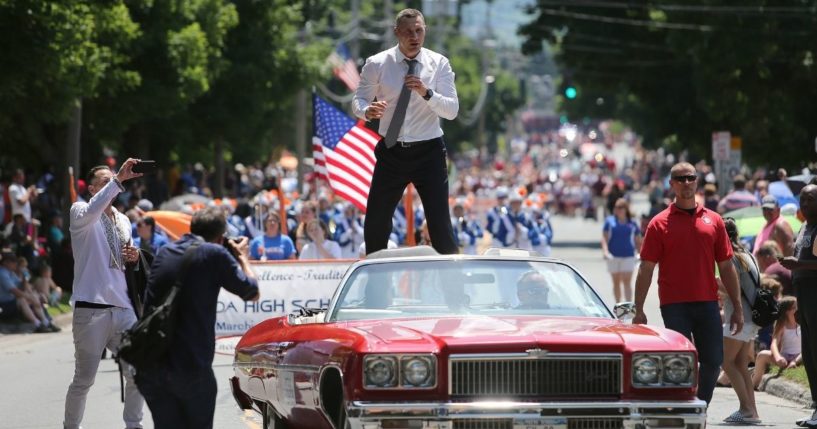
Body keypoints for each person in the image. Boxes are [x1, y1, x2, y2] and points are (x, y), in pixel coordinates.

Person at [136, 206, 260, 429]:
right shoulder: (214, 253)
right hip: (191, 368)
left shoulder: (165, 251)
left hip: (152, 365)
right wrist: (242, 258)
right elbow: (252, 292)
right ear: (221, 237)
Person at [633, 162, 743, 405]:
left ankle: (699, 405)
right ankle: (681, 407)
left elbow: (726, 266)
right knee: (680, 362)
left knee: (713, 361)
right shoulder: (659, 223)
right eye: (680, 179)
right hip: (674, 305)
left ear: (696, 182)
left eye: (690, 178)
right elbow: (646, 268)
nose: (686, 183)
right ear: (672, 184)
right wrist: (638, 308)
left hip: (707, 303)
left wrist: (737, 305)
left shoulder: (714, 221)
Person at [353, 8, 459, 256]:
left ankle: (456, 289)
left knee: (440, 225)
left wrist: (427, 92)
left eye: (419, 30)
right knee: (376, 223)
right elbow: (358, 101)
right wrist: (368, 111)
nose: (414, 36)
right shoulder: (377, 64)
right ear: (397, 32)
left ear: (425, 31)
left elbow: (452, 110)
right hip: (391, 150)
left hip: (429, 151)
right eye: (408, 31)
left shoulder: (439, 63)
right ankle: (375, 286)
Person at [64, 159, 145, 429]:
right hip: (91, 309)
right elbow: (94, 208)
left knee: (137, 370)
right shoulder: (80, 212)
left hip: (122, 308)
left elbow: (125, 258)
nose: (111, 185)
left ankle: (133, 424)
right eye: (104, 181)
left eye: (112, 181)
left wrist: (134, 255)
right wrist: (118, 180)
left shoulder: (123, 219)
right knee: (84, 379)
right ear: (91, 189)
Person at [779, 184, 817, 428]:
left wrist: (799, 265)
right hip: (803, 296)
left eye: (810, 199)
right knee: (810, 352)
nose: (805, 204)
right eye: (802, 199)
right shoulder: (804, 226)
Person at [719, 218, 761, 424]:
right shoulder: (748, 254)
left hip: (740, 316)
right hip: (752, 317)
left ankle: (746, 409)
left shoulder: (732, 257)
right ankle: (752, 411)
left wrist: (713, 284)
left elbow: (730, 288)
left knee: (726, 360)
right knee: (741, 364)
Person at [752, 296, 801, 389]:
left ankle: (794, 362)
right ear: (787, 311)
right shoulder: (782, 325)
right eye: (795, 307)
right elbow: (774, 343)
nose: (798, 309)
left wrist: (795, 361)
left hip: (800, 356)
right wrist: (778, 357)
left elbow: (807, 348)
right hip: (785, 357)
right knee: (762, 355)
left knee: (807, 353)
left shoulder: (802, 323)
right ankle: (754, 384)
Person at [0, 250, 56, 332]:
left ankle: (46, 322)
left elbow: (22, 286)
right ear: (5, 263)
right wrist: (30, 297)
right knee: (22, 300)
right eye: (13, 262)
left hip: (11, 301)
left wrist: (25, 278)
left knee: (35, 296)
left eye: (15, 261)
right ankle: (37, 324)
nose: (15, 264)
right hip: (3, 304)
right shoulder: (2, 273)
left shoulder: (10, 273)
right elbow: (14, 291)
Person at [601, 198, 642, 303]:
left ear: (625, 209)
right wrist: (605, 251)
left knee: (627, 281)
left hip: (628, 255)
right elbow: (604, 238)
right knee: (616, 282)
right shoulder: (609, 221)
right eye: (616, 207)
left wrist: (639, 253)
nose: (618, 210)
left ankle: (628, 306)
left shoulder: (632, 223)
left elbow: (638, 240)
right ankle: (618, 306)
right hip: (613, 256)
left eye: (620, 207)